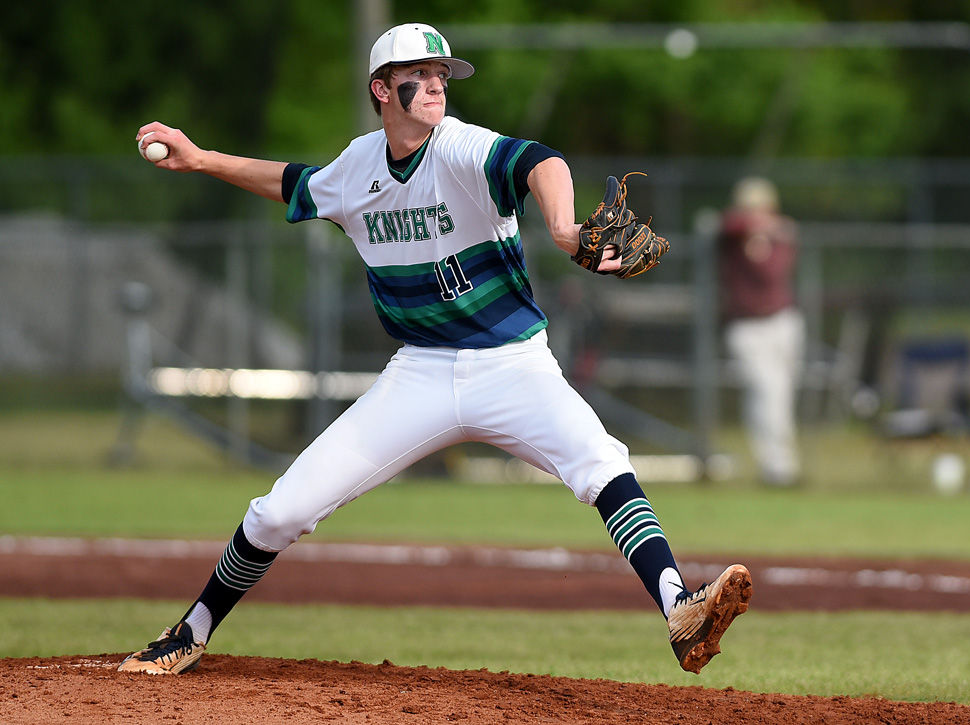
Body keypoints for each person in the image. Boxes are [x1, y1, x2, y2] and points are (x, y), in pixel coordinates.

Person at [120, 22, 751, 677]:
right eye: (420, 74)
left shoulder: (459, 148)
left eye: (443, 74)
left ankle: (679, 607)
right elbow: (295, 184)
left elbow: (540, 161)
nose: (437, 86)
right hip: (419, 372)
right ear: (382, 88)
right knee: (281, 510)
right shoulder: (359, 167)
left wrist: (563, 224)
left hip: (513, 364)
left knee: (601, 463)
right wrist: (201, 158)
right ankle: (190, 629)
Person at [718, 177, 805, 486]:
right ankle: (777, 467)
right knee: (768, 391)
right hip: (746, 329)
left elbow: (773, 271)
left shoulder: (780, 237)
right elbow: (728, 224)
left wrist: (766, 235)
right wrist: (754, 230)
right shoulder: (732, 236)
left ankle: (781, 464)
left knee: (780, 395)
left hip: (782, 323)